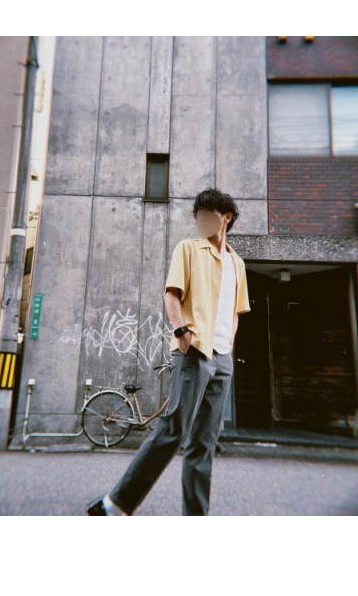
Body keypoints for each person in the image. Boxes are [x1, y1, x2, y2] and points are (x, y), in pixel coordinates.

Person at [86, 187, 251, 516]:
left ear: (226, 218)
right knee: (173, 429)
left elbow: (236, 310)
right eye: (198, 216)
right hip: (194, 350)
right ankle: (116, 504)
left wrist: (230, 344)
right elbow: (171, 294)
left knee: (205, 441)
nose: (201, 221)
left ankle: (195, 516)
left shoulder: (237, 263)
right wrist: (181, 331)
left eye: (207, 216)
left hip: (222, 358)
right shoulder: (188, 248)